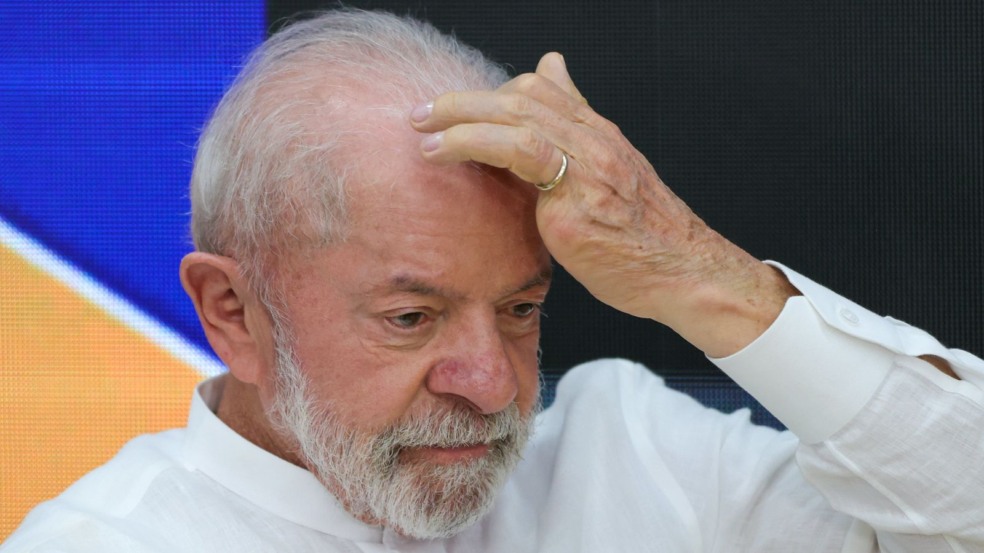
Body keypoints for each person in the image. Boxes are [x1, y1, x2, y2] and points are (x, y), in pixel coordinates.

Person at [3, 8, 983, 552]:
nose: (491, 380)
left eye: (521, 308)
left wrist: (696, 271)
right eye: (411, 315)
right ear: (234, 312)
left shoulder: (628, 452)